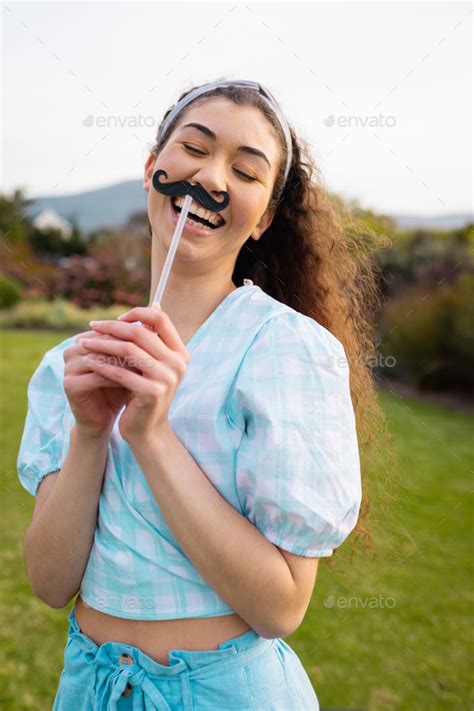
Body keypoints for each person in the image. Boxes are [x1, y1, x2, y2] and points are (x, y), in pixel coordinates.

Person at [18, 78, 378, 710]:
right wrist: (90, 433)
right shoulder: (70, 366)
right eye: (194, 147)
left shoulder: (287, 351)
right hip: (90, 689)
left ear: (264, 217)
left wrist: (152, 436)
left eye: (245, 170)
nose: (210, 179)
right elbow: (50, 584)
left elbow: (280, 606)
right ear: (153, 167)